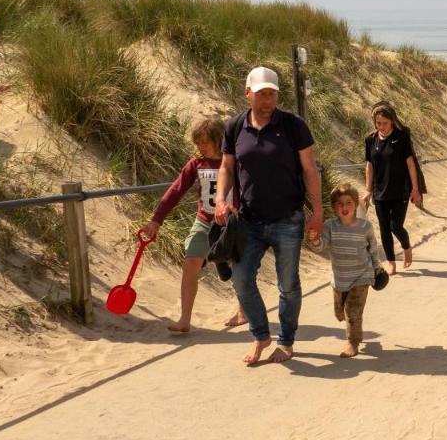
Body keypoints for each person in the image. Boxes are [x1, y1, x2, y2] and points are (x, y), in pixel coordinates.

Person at [215, 66, 324, 366]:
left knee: (288, 284)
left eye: (272, 94)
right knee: (240, 279)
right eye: (261, 93)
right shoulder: (235, 126)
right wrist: (220, 199)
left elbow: (309, 169)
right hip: (249, 219)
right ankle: (261, 334)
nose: (267, 100)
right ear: (247, 92)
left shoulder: (292, 125)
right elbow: (226, 167)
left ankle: (286, 341)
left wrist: (317, 212)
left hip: (288, 219)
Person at [142, 116, 246, 334]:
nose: (200, 147)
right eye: (197, 142)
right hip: (204, 221)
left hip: (232, 224)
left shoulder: (234, 161)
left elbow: (248, 189)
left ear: (219, 140)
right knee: (190, 262)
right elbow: (176, 190)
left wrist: (240, 212)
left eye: (204, 142)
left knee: (239, 267)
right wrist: (156, 219)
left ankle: (242, 311)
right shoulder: (196, 162)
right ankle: (184, 319)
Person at [315, 183, 385, 358]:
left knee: (352, 310)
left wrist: (376, 266)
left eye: (349, 202)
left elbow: (373, 248)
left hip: (362, 275)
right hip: (340, 278)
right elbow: (322, 246)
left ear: (355, 204)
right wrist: (315, 241)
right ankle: (354, 325)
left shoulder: (365, 226)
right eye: (340, 203)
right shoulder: (330, 226)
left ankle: (353, 342)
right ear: (334, 206)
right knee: (340, 313)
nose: (344, 207)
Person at [363, 101, 422, 275]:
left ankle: (406, 246)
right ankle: (391, 262)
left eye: (384, 123)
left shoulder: (401, 137)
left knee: (395, 226)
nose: (381, 126)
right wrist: (368, 189)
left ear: (392, 121)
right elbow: (369, 165)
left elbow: (411, 165)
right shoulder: (370, 140)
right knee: (384, 229)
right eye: (378, 123)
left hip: (400, 190)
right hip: (380, 191)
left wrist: (415, 189)